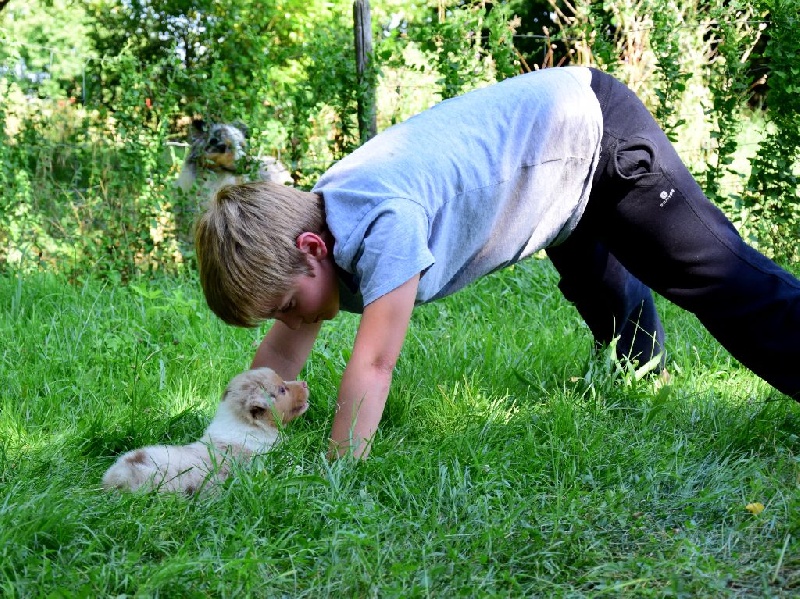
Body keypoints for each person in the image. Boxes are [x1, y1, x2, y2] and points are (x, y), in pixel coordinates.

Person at [195, 66, 800, 459]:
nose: (291, 322)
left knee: (713, 275)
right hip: (551, 185)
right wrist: (229, 441)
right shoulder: (313, 232)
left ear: (311, 249)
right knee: (595, 276)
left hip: (591, 134)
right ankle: (643, 371)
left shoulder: (383, 225)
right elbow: (276, 362)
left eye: (286, 306)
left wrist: (337, 468)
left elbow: (375, 364)